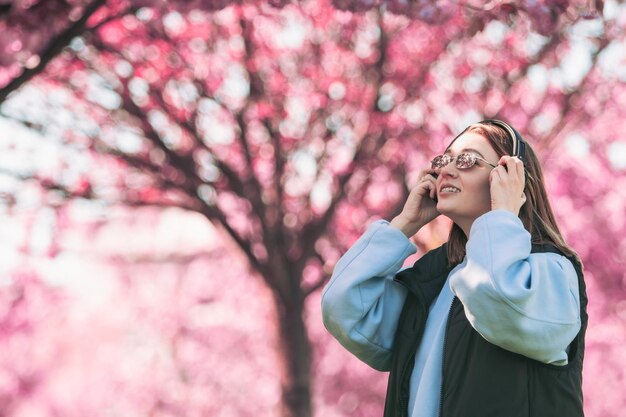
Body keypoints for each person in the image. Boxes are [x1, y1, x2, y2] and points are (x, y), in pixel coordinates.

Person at [321, 120, 587, 417]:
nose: (446, 170)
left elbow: (499, 302)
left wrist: (503, 213)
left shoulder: (550, 271)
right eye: (444, 160)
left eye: (467, 160)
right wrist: (403, 225)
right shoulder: (433, 282)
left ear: (510, 177)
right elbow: (343, 305)